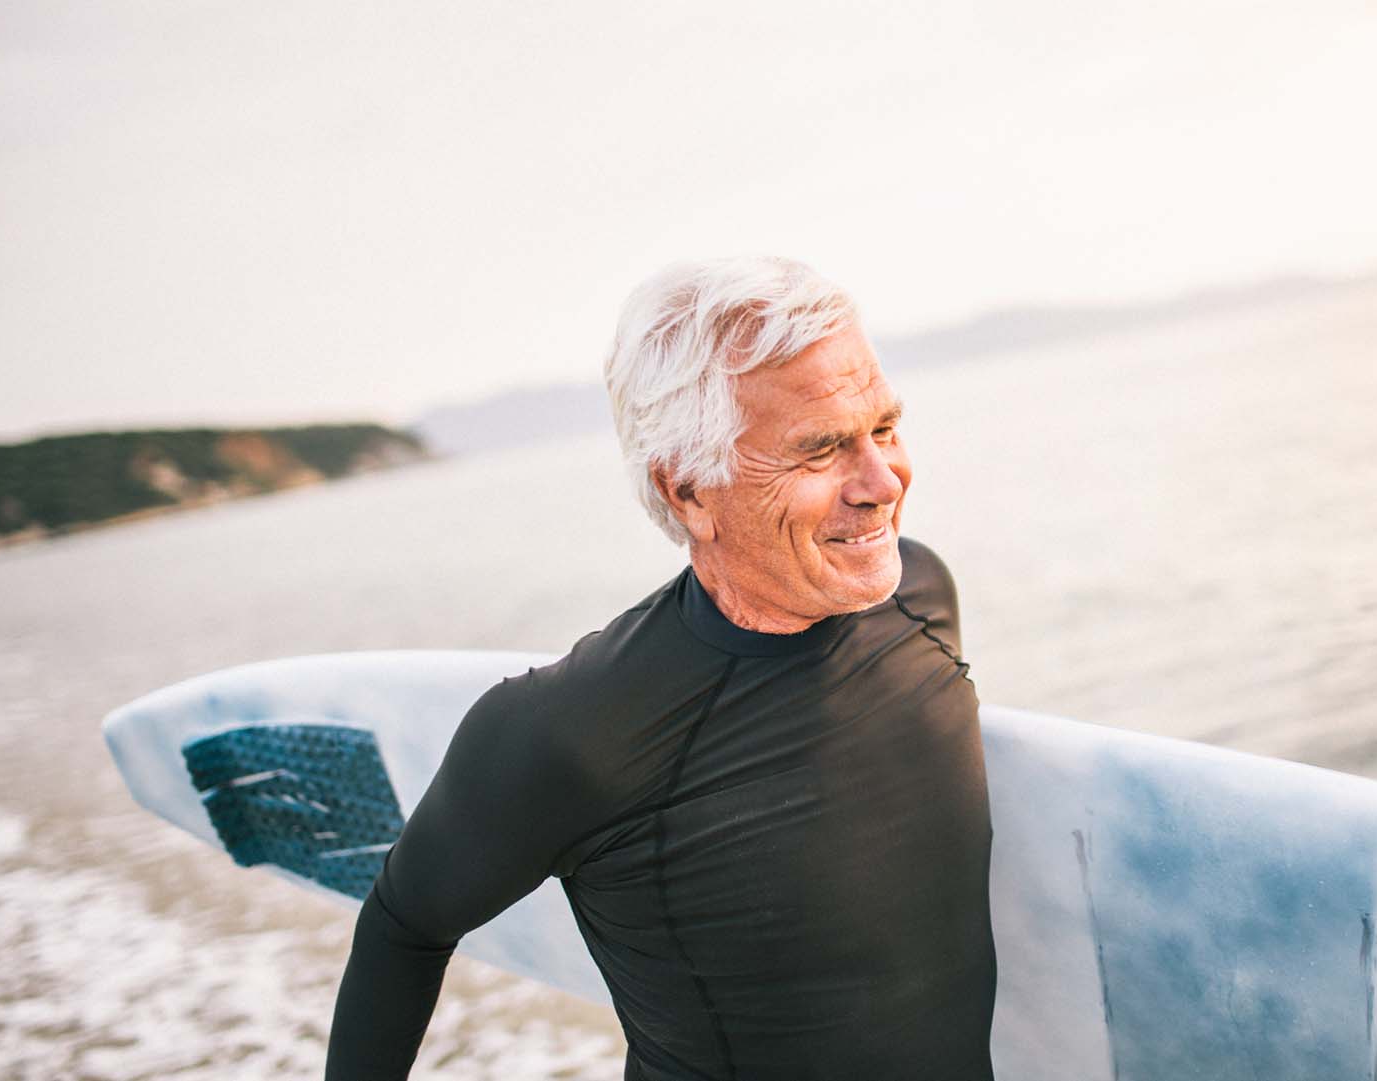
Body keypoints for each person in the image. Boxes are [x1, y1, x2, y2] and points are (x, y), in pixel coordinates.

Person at [325, 256, 997, 1080]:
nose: (883, 480)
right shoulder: (573, 730)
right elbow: (405, 924)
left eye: (885, 427)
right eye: (820, 450)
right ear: (688, 493)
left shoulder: (919, 593)